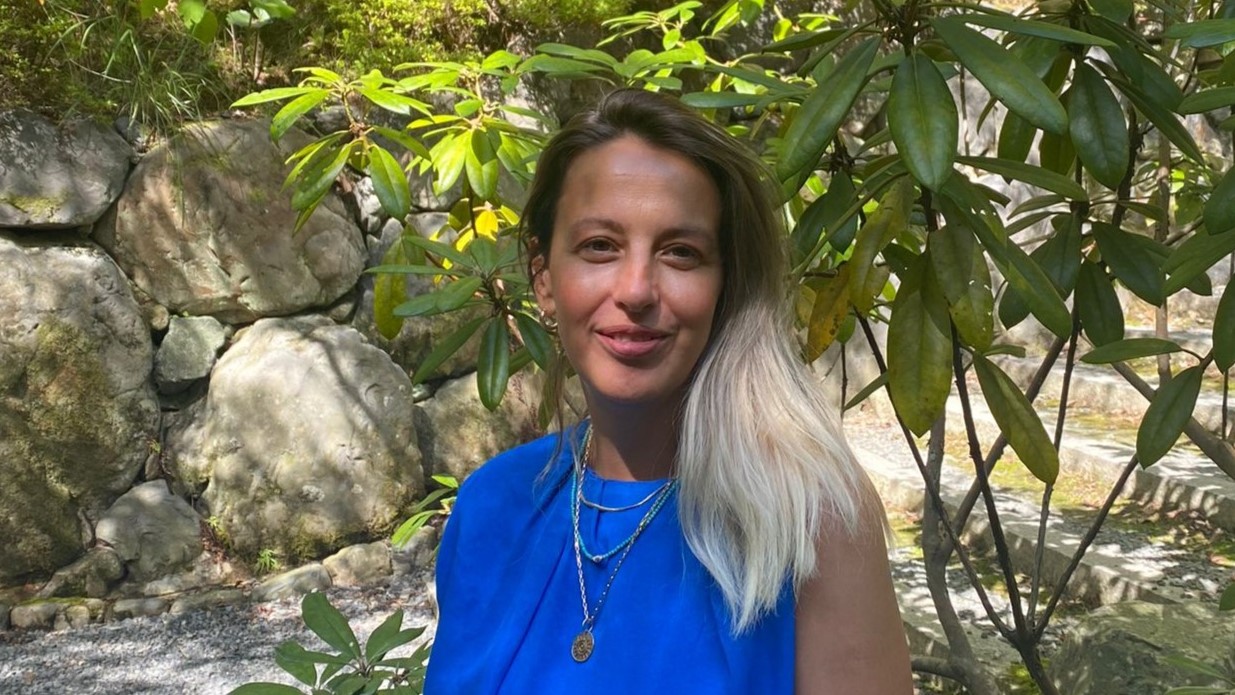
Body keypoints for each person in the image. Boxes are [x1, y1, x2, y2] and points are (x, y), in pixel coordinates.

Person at [425, 88, 912, 694]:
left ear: (724, 287)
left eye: (680, 252)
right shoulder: (490, 507)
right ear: (543, 280)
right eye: (599, 246)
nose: (635, 289)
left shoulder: (811, 518)